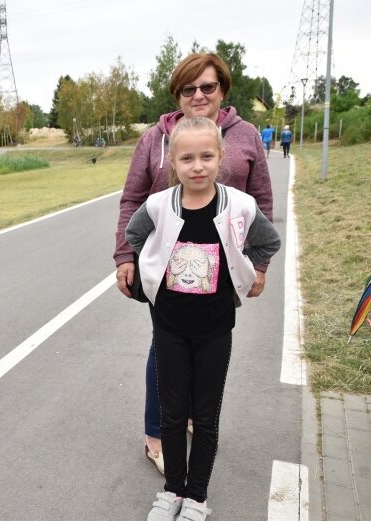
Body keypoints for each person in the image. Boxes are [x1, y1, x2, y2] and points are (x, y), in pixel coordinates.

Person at [113, 53, 273, 475]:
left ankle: (190, 419)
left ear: (223, 90)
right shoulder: (154, 139)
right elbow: (132, 200)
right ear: (177, 94)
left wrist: (260, 266)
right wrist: (124, 256)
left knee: (207, 349)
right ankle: (156, 436)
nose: (199, 95)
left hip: (222, 272)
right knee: (163, 349)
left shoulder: (246, 136)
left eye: (208, 87)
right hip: (167, 267)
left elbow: (262, 204)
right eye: (189, 88)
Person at [126, 117, 281, 521]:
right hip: (169, 327)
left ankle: (197, 497)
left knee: (206, 415)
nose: (198, 166)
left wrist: (257, 271)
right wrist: (150, 272)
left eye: (206, 156)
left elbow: (269, 240)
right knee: (173, 414)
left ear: (221, 158)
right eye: (188, 158)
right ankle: (172, 490)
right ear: (174, 163)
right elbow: (134, 234)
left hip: (215, 328)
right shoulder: (159, 205)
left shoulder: (239, 206)